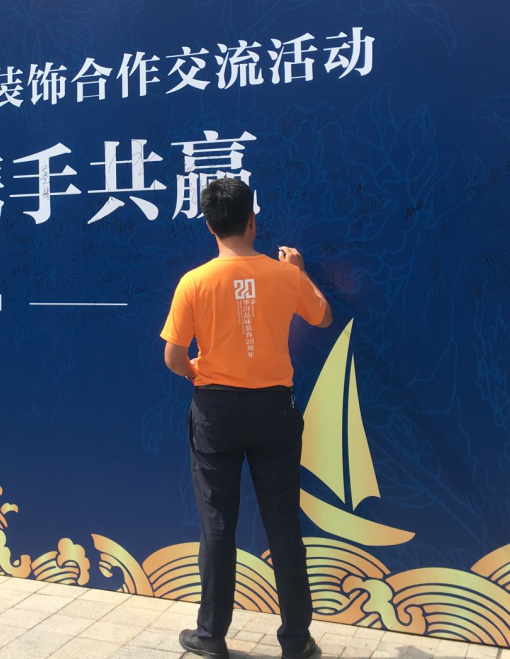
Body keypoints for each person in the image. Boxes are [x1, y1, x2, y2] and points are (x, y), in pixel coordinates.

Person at [161, 177, 332, 659]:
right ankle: (296, 640)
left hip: (216, 410)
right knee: (284, 524)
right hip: (274, 409)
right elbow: (322, 317)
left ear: (210, 226)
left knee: (217, 524)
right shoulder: (284, 276)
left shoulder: (194, 282)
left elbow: (173, 356)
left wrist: (196, 372)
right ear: (252, 221)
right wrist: (299, 272)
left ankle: (211, 635)